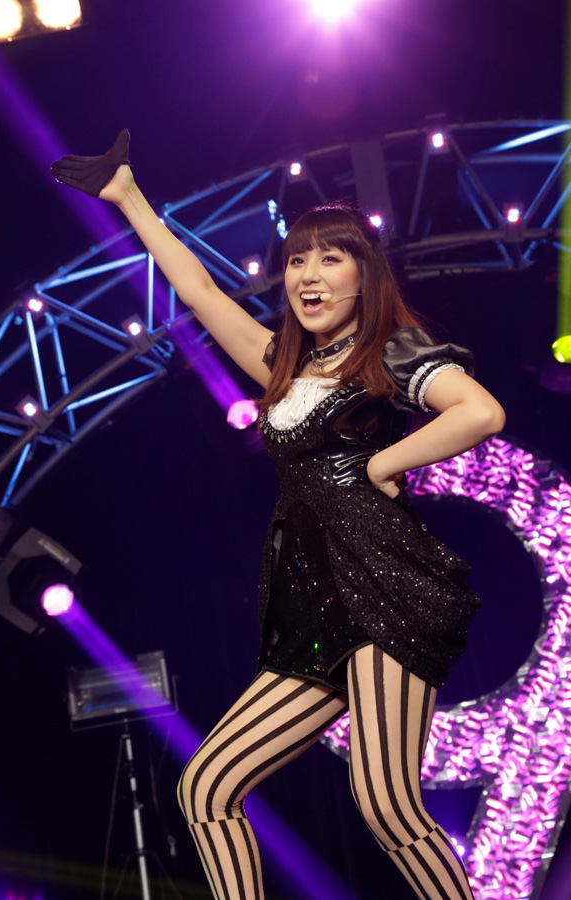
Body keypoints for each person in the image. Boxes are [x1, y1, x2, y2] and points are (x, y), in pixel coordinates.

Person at [51, 130, 505, 900]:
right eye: (297, 260)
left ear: (364, 275)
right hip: (313, 603)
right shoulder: (283, 366)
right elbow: (199, 292)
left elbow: (480, 411)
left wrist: (381, 465)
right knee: (207, 787)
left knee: (386, 805)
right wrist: (128, 198)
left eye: (330, 258)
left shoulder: (390, 352)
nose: (309, 274)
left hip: (384, 586)